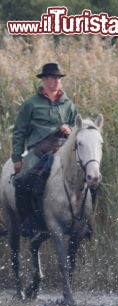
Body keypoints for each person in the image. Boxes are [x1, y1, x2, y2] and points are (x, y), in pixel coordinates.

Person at [11, 63, 77, 237]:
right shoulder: (30, 104)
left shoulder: (68, 104)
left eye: (57, 78)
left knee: (89, 177)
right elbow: (19, 131)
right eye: (50, 78)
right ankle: (28, 222)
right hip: (39, 149)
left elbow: (77, 127)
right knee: (22, 180)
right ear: (43, 80)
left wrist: (69, 130)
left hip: (63, 147)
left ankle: (83, 222)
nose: (54, 81)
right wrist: (17, 157)